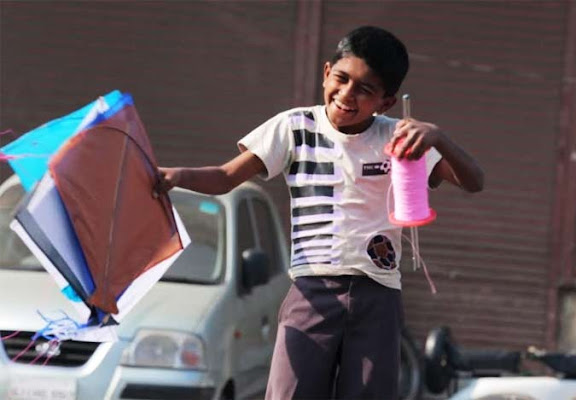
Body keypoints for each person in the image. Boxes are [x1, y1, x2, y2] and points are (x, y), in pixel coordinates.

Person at [158, 26, 483, 400]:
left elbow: (474, 181)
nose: (347, 95)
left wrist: (438, 137)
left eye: (365, 89)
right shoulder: (294, 127)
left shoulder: (401, 138)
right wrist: (175, 176)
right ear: (326, 72)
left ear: (386, 102)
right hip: (312, 290)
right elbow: (226, 176)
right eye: (342, 79)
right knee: (289, 393)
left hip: (377, 293)